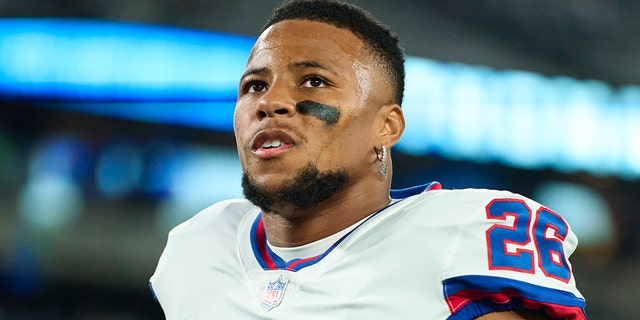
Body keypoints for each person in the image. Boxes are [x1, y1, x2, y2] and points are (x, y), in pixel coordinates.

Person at [150, 0, 586, 319]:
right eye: (254, 86)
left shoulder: (461, 236)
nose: (272, 102)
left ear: (387, 127)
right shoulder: (195, 247)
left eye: (314, 81)